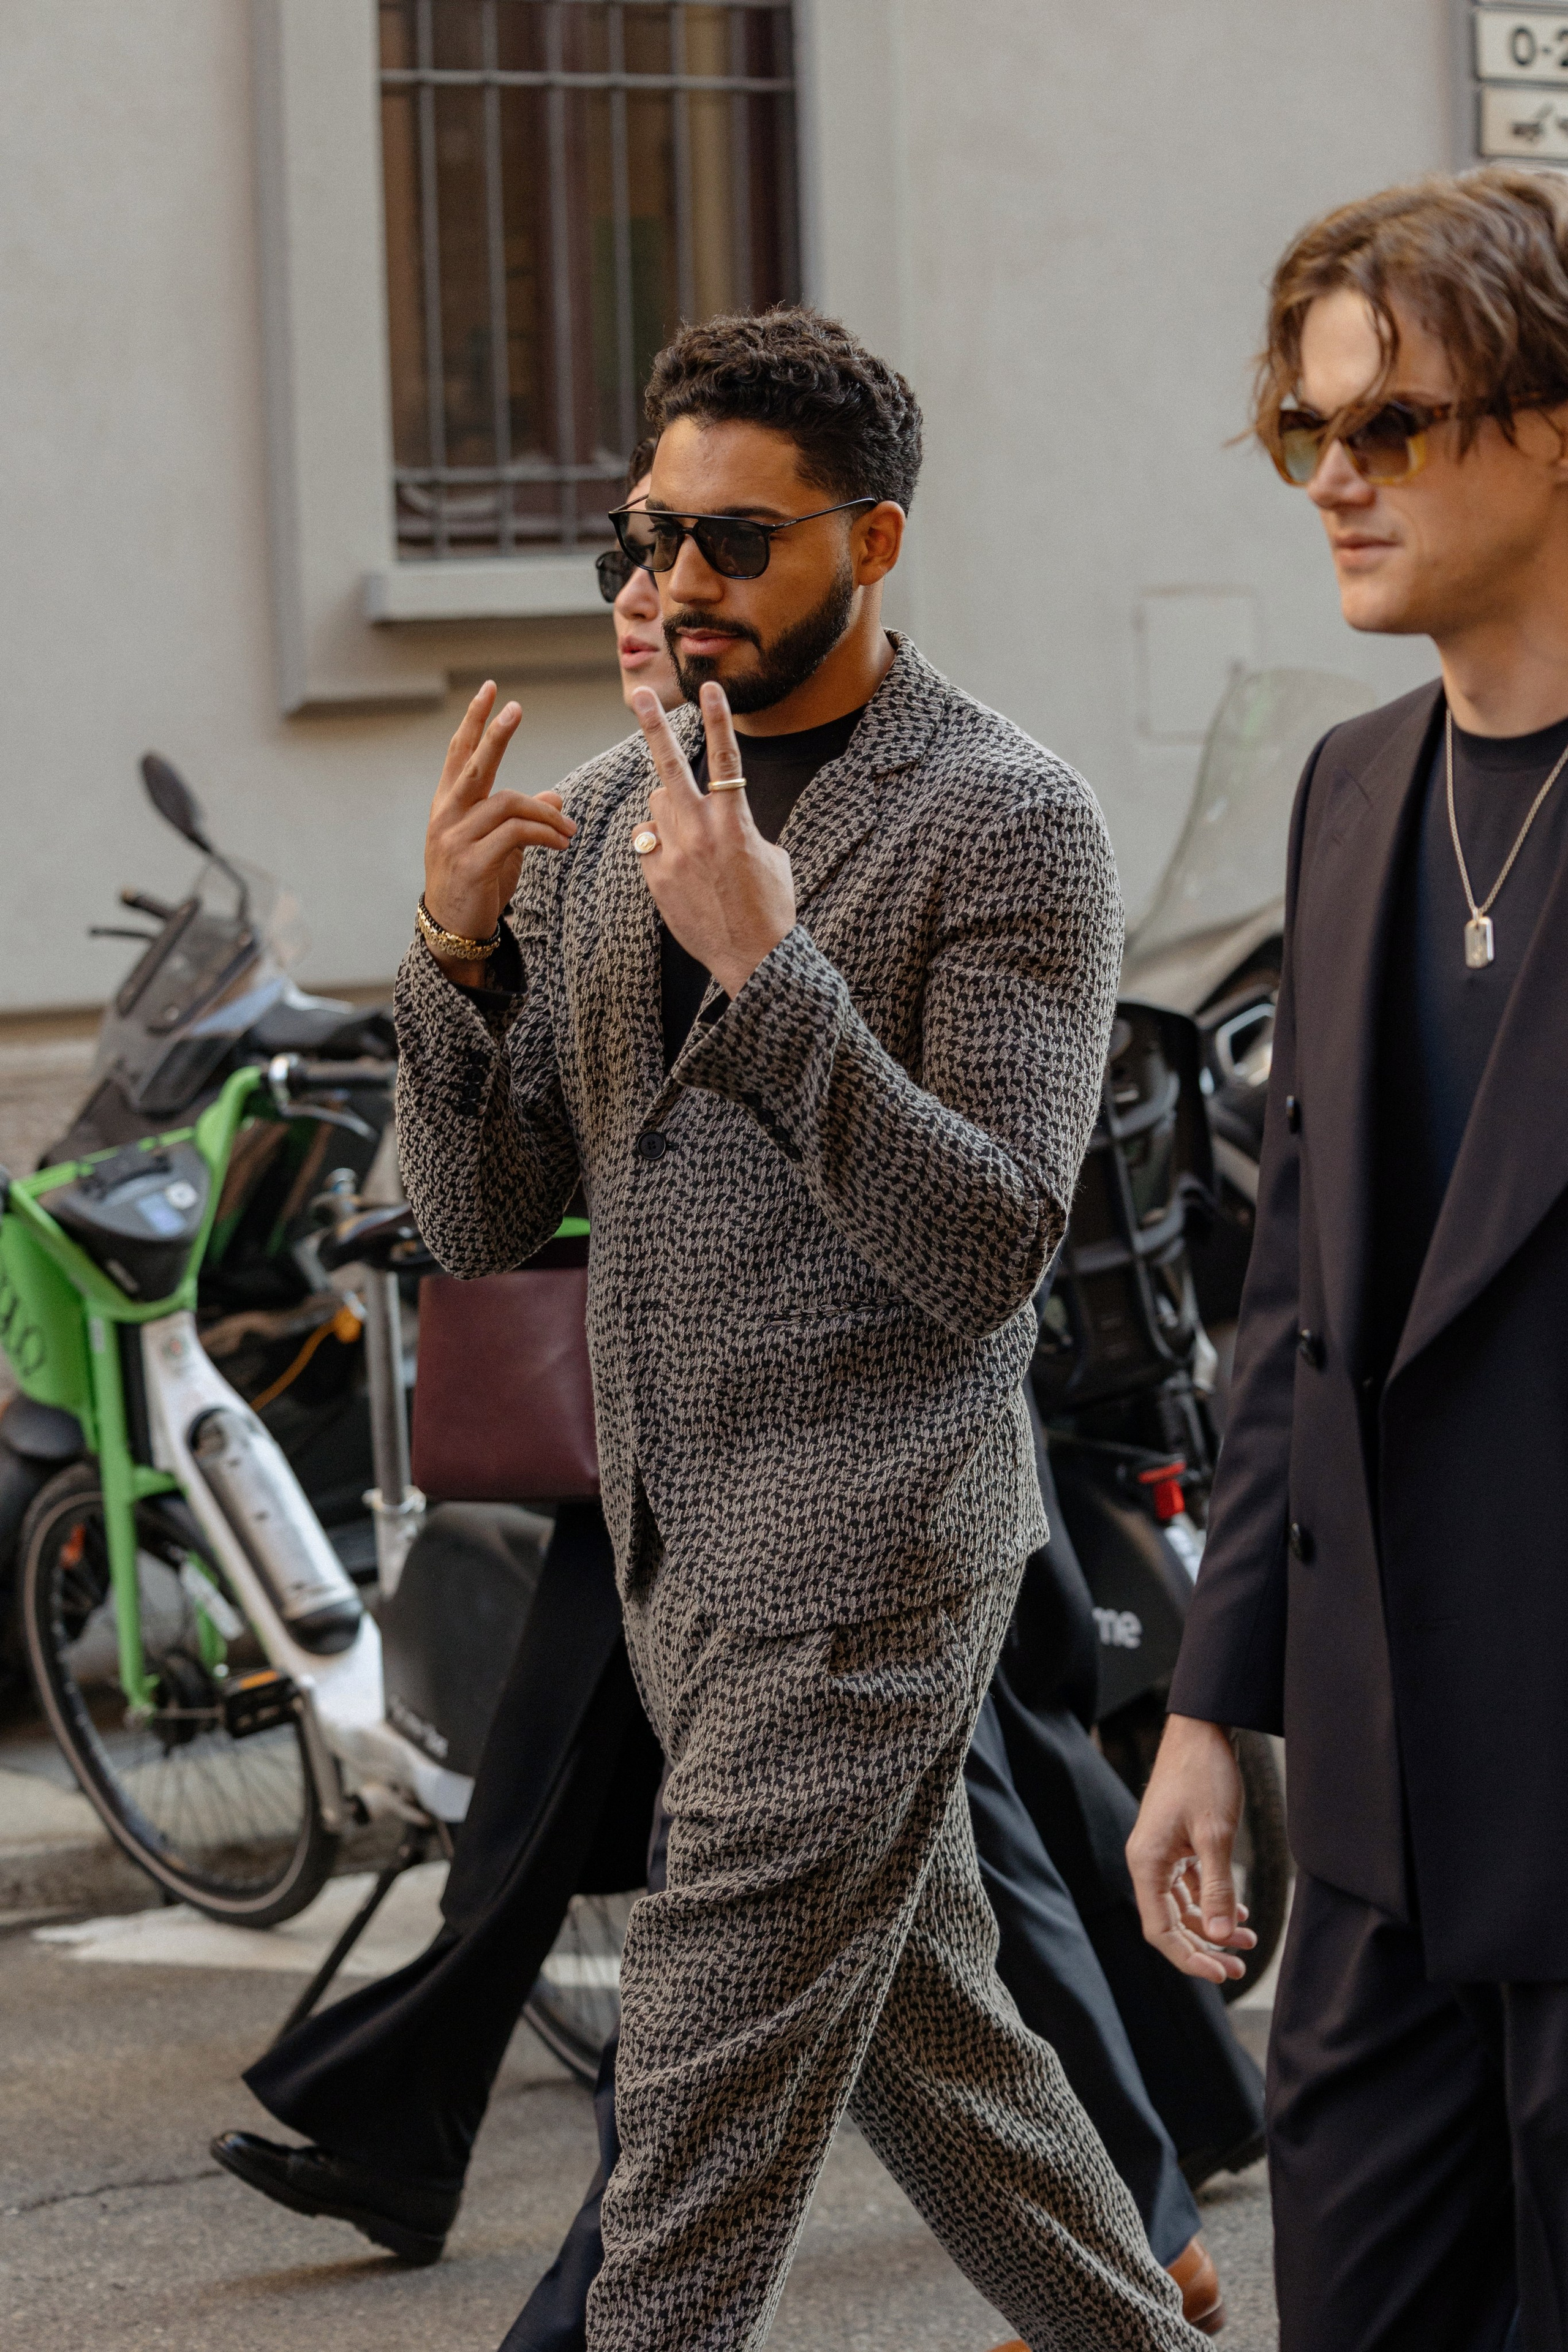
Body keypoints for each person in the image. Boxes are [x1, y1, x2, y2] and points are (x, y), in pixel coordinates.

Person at [214, 444, 1256, 2341]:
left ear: (872, 540)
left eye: (734, 538)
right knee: (952, 2069)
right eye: (650, 536)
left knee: (677, 2178)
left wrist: (766, 963)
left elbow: (992, 1243)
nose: (679, 575)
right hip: (672, 1565)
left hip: (869, 1571)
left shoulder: (1011, 819)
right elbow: (473, 1220)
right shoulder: (617, 810)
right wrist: (449, 951)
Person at [1126, 167, 1568, 2352]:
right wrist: (1219, 1710)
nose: (1335, 479)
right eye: (1308, 432)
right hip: (1388, 1834)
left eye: (1389, 426)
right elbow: (1300, 1298)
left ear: (1559, 424)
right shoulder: (1355, 788)